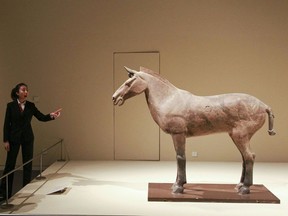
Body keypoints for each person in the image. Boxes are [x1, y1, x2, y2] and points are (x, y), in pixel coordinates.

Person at [0, 83, 61, 201]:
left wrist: (52, 116)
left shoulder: (31, 105)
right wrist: (5, 140)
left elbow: (41, 117)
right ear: (17, 93)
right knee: (9, 165)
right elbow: (6, 124)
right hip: (13, 139)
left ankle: (25, 190)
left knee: (27, 164)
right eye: (23, 90)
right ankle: (4, 192)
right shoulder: (10, 106)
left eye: (27, 90)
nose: (26, 92)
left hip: (28, 138)